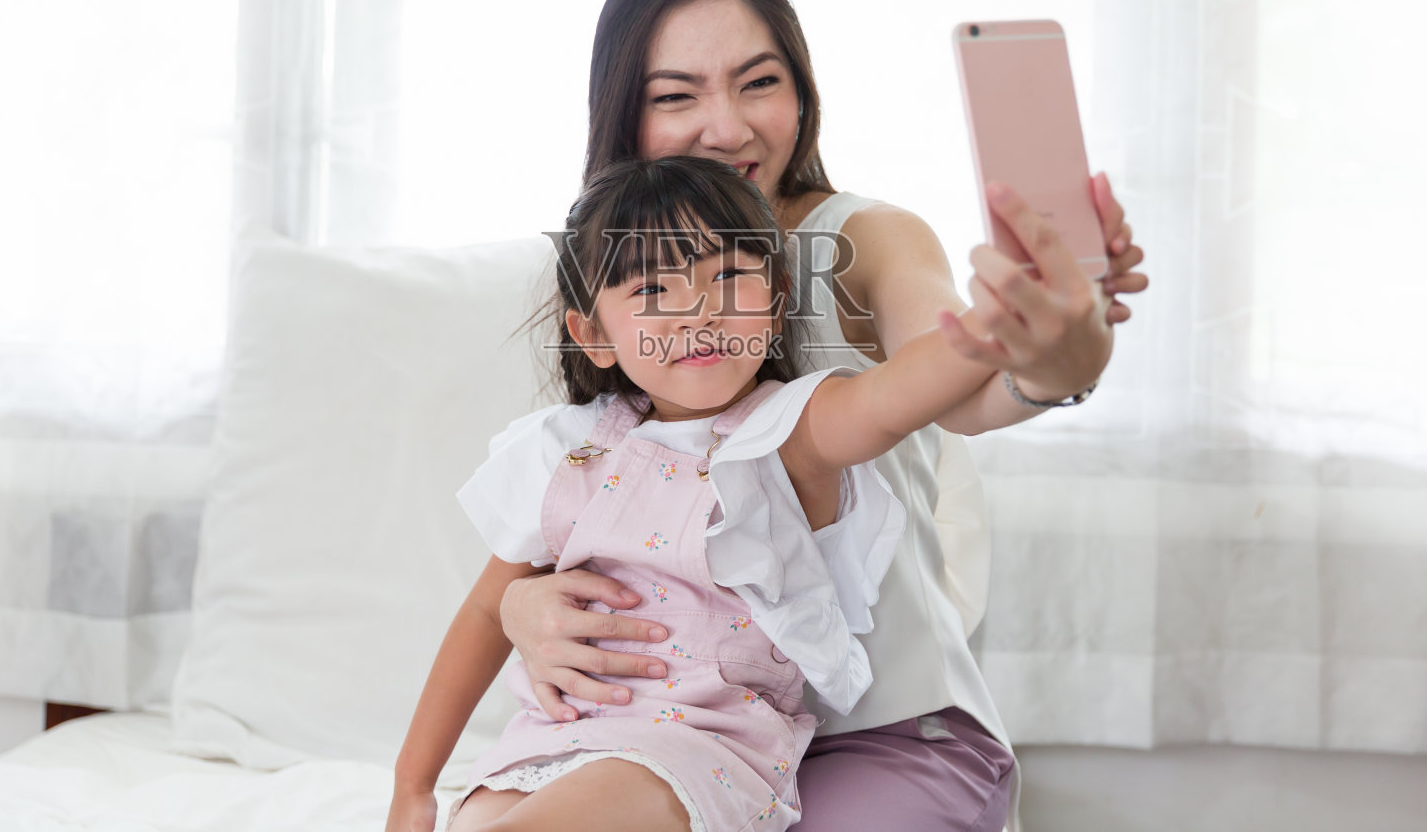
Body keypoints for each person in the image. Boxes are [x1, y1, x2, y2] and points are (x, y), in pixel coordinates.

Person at [495, 0, 1149, 832]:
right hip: (681, 733)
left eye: (759, 82)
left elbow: (958, 381)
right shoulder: (618, 266)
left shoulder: (864, 237)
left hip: (885, 734)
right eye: (677, 95)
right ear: (623, 113)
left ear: (802, 93)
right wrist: (520, 604)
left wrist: (1049, 361)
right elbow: (598, 504)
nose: (727, 128)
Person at [384, 155, 1113, 832]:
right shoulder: (567, 448)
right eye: (652, 290)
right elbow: (487, 609)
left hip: (696, 749)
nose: (697, 312)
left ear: (777, 300)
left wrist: (1006, 320)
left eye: (730, 277)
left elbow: (893, 396)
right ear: (593, 335)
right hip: (549, 738)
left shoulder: (790, 431)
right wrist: (413, 783)